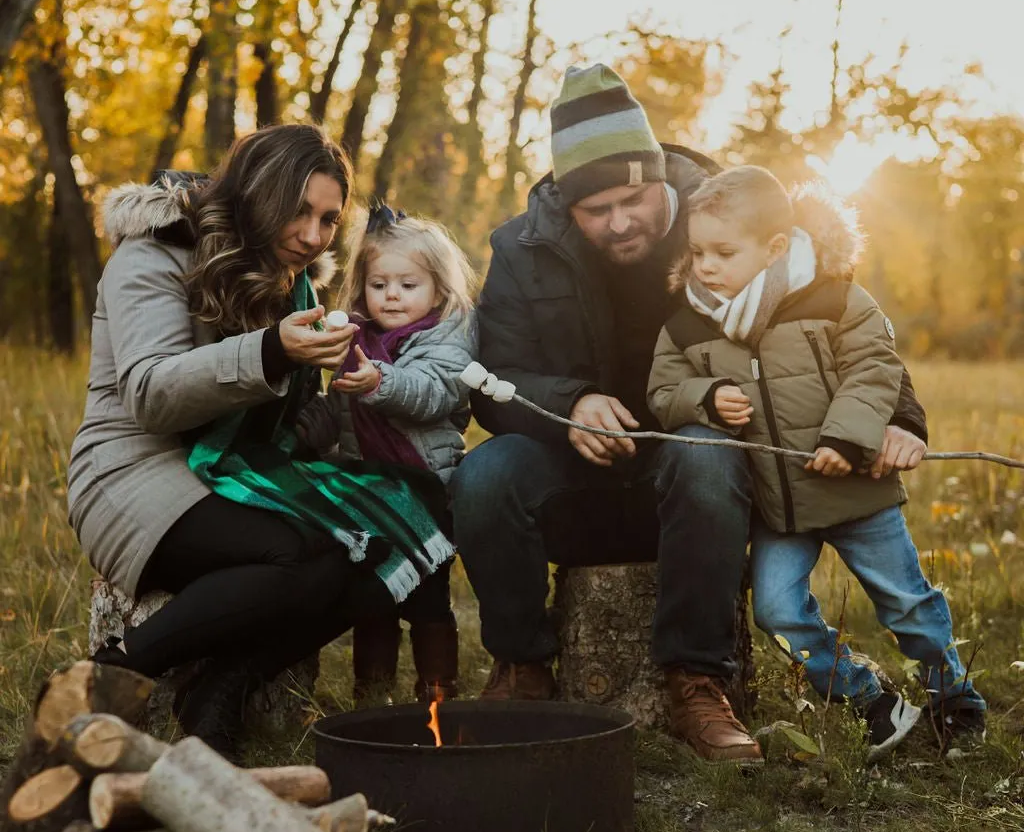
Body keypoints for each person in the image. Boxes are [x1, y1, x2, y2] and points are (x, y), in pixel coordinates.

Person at [451, 63, 930, 764]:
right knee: (485, 475)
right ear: (563, 200)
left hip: (705, 480)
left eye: (633, 199)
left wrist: (905, 419)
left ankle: (695, 679)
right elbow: (495, 380)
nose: (618, 222)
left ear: (658, 176)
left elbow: (837, 320)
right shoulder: (519, 252)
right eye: (595, 210)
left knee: (702, 449)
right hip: (573, 473)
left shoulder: (723, 217)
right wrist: (571, 405)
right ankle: (523, 667)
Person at [68, 125, 451, 758]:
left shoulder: (295, 284)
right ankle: (119, 668)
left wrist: (336, 404)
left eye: (329, 218)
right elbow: (150, 393)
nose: (313, 235)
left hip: (239, 471)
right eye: (299, 210)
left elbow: (284, 427)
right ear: (255, 193)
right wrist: (272, 350)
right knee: (302, 553)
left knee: (403, 514)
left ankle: (222, 686)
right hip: (134, 474)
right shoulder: (156, 253)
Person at [647, 165, 986, 752]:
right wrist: (701, 397)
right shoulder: (687, 322)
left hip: (856, 491)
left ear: (775, 247)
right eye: (697, 250)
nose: (705, 265)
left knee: (906, 601)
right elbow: (660, 391)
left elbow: (874, 368)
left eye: (724, 252)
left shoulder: (834, 297)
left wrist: (848, 438)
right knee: (776, 609)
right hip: (779, 508)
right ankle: (869, 698)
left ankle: (954, 698)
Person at [296, 204, 477, 702]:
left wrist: (380, 379)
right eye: (379, 285)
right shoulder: (356, 336)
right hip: (369, 493)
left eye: (407, 284)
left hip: (424, 492)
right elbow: (340, 406)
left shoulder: (449, 335)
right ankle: (371, 693)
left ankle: (437, 694)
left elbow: (433, 392)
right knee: (375, 595)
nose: (392, 295)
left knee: (427, 600)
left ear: (438, 288)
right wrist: (315, 426)